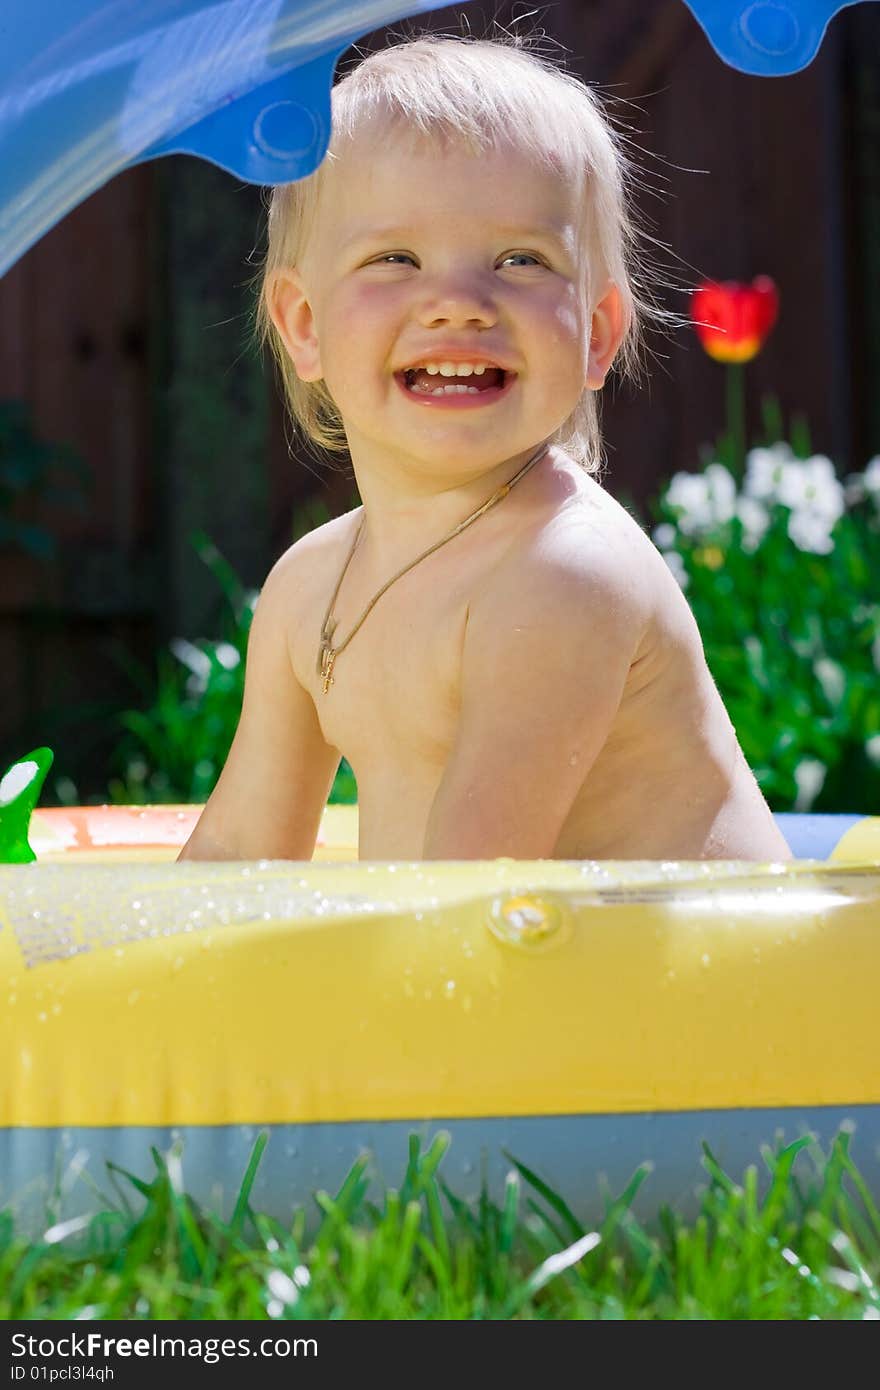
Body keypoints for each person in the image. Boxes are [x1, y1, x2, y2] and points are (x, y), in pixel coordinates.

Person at [179, 29, 793, 863]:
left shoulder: (562, 574)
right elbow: (236, 859)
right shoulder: (309, 587)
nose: (459, 303)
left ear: (596, 334)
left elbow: (464, 910)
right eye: (396, 258)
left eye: (520, 259)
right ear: (304, 325)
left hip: (700, 986)